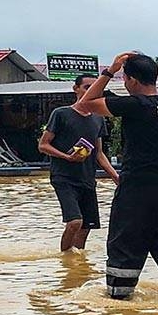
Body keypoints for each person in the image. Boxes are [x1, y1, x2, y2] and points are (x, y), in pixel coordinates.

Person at [77, 52, 158, 299]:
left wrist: (109, 71)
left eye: (124, 78)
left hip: (140, 184)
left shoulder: (135, 105)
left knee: (126, 239)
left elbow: (86, 104)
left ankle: (119, 301)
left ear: (131, 80)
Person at [37, 74, 119, 252]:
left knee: (85, 227)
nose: (90, 91)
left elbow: (98, 153)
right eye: (86, 87)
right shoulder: (61, 114)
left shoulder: (98, 118)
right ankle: (65, 258)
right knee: (75, 222)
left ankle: (77, 264)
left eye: (94, 87)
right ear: (76, 89)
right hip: (64, 177)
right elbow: (43, 145)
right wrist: (66, 157)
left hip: (87, 179)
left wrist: (114, 175)